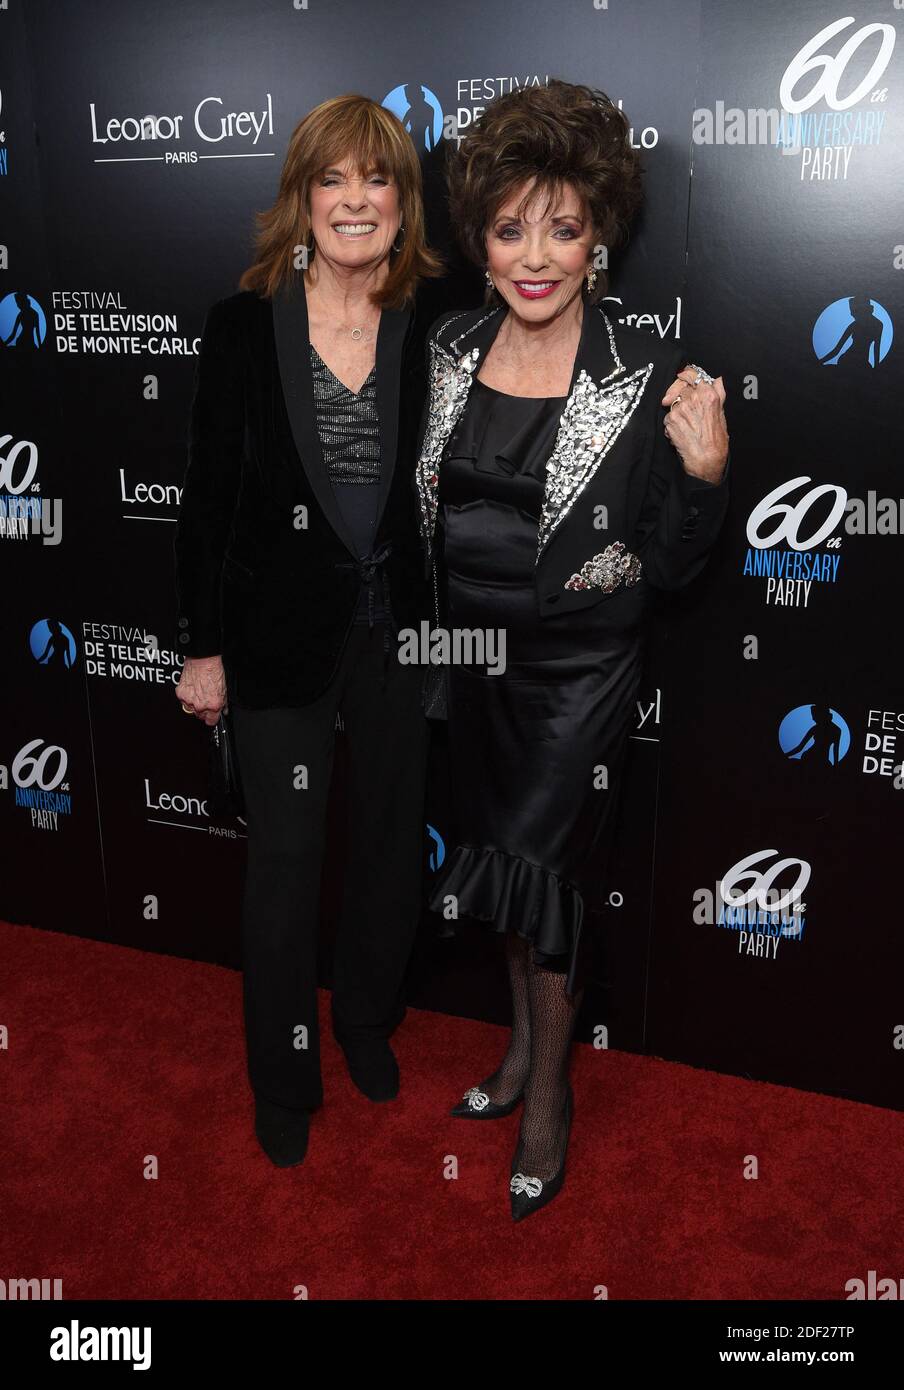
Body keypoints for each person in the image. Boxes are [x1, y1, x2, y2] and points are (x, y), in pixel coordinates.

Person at [416, 80, 730, 1219]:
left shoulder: (643, 372)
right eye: (509, 228)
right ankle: (514, 1055)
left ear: (598, 230)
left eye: (562, 225)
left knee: (540, 875)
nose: (535, 255)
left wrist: (698, 481)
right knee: (504, 881)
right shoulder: (445, 346)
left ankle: (546, 1098)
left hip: (579, 681)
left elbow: (677, 567)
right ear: (479, 240)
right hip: (470, 671)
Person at [174, 94, 442, 1167]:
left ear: (399, 200)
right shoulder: (243, 325)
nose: (354, 199)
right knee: (284, 866)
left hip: (400, 638)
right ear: (302, 196)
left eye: (375, 179)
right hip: (277, 638)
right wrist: (202, 647)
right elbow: (204, 498)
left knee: (387, 850)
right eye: (332, 179)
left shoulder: (434, 321)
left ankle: (365, 1020)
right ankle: (284, 1073)